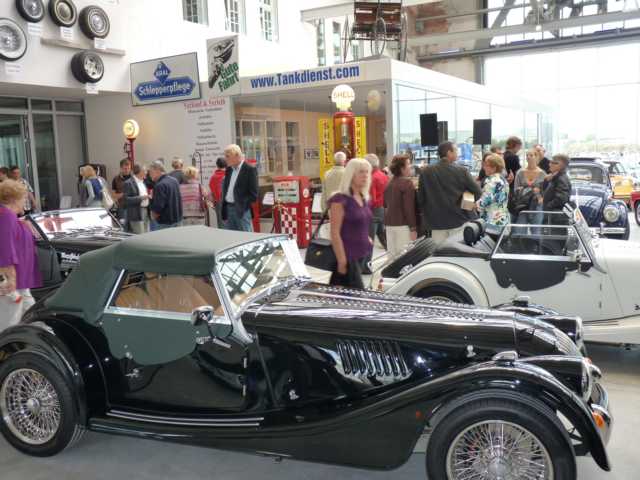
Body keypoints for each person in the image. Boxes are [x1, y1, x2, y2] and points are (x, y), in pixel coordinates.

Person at [417, 141, 482, 244]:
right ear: (449, 153)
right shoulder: (461, 171)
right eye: (455, 150)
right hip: (458, 219)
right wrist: (465, 205)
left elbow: (421, 198)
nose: (457, 153)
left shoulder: (425, 172)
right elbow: (477, 192)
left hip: (436, 222)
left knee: (439, 251)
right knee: (457, 251)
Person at [0, 180, 42, 330]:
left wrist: (21, 223)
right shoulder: (6, 216)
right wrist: (11, 278)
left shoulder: (8, 215)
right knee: (10, 322)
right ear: (14, 199)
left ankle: (43, 338)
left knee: (31, 315)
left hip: (19, 280)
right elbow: (5, 250)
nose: (25, 201)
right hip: (13, 280)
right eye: (24, 198)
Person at [328, 158, 372, 289]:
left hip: (362, 255)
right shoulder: (340, 200)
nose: (365, 175)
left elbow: (362, 223)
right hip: (348, 256)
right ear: (351, 175)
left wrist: (367, 238)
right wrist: (342, 260)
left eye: (367, 172)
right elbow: (334, 232)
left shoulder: (363, 198)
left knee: (344, 296)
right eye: (361, 172)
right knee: (356, 295)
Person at [384, 154, 417, 256]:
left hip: (389, 224)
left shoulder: (389, 182)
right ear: (402, 168)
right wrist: (413, 228)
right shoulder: (407, 183)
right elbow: (409, 208)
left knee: (392, 256)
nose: (410, 166)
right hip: (403, 225)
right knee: (404, 257)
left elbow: (385, 204)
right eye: (408, 164)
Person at [221, 144, 258, 232]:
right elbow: (226, 189)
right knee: (231, 237)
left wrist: (242, 204)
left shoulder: (249, 170)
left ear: (237, 155)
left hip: (242, 211)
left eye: (228, 156)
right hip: (228, 209)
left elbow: (254, 195)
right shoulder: (229, 170)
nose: (225, 159)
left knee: (246, 237)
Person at [363, 153, 388, 273]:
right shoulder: (383, 175)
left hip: (373, 211)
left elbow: (371, 199)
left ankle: (365, 267)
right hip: (382, 209)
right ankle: (395, 258)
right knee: (382, 236)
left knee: (369, 239)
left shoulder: (372, 178)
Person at [477, 154, 510, 227]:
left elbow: (484, 201)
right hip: (502, 218)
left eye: (486, 165)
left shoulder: (493, 181)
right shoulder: (502, 179)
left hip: (492, 220)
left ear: (494, 168)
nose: (484, 167)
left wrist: (473, 205)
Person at [148, 160, 183, 230]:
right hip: (178, 221)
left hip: (165, 224)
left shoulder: (159, 185)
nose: (149, 175)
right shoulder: (174, 180)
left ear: (157, 170)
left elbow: (158, 207)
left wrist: (151, 199)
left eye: (150, 172)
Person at [513, 149, 546, 223]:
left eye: (531, 155)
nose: (528, 157)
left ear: (536, 157)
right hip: (523, 204)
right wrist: (521, 190)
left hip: (537, 203)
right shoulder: (520, 172)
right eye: (527, 155)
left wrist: (540, 194)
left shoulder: (542, 174)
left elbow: (545, 190)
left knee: (536, 227)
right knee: (520, 227)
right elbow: (515, 189)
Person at [123, 164, 150, 234]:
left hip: (146, 211)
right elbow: (126, 200)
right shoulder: (128, 183)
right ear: (140, 171)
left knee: (147, 235)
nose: (146, 172)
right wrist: (142, 198)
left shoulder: (143, 182)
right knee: (140, 236)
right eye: (145, 171)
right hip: (136, 213)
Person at [208, 157, 226, 227]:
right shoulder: (229, 175)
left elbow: (212, 188)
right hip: (230, 202)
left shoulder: (213, 177)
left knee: (221, 223)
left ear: (217, 165)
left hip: (218, 202)